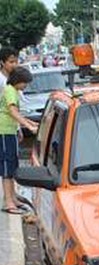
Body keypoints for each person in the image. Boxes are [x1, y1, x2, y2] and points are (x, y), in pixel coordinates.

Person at [1, 67, 38, 215]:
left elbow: (15, 113)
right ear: (18, 81)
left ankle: (12, 198)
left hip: (9, 130)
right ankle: (8, 202)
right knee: (7, 169)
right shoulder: (10, 90)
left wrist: (28, 123)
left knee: (12, 165)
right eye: (25, 83)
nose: (25, 86)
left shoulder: (13, 91)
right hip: (3, 131)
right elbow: (12, 111)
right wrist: (28, 125)